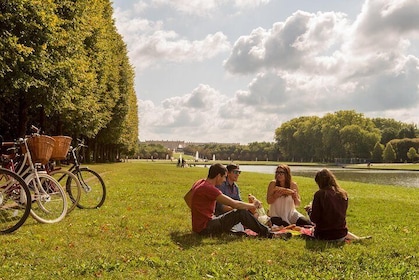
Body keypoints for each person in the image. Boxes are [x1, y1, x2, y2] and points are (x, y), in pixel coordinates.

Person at [184, 163, 289, 239]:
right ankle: (270, 234)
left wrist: (198, 212)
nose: (224, 180)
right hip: (205, 228)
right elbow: (234, 204)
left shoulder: (200, 182)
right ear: (218, 176)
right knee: (241, 213)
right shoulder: (210, 189)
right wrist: (253, 206)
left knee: (237, 225)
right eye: (224, 177)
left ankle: (244, 232)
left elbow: (187, 198)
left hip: (201, 226)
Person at [305, 168, 349, 241]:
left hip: (324, 235)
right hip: (341, 234)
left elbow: (314, 219)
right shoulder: (343, 194)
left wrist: (309, 210)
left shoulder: (320, 194)